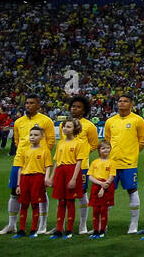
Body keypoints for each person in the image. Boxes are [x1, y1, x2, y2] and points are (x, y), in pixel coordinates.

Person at [0, 96, 57, 236]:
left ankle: (42, 224)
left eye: (32, 103)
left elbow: (51, 142)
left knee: (40, 194)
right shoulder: (18, 122)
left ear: (38, 105)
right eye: (27, 103)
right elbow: (17, 141)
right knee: (15, 192)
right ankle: (12, 225)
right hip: (20, 161)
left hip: (38, 162)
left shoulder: (46, 120)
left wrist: (40, 156)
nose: (28, 105)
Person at [103, 95, 144, 234]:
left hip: (129, 163)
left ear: (131, 104)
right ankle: (103, 225)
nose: (122, 103)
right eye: (120, 101)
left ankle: (133, 225)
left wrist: (131, 153)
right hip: (112, 163)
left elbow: (143, 141)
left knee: (132, 190)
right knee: (107, 192)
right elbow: (107, 140)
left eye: (125, 101)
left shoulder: (138, 120)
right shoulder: (110, 121)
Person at [66, 95, 100, 235]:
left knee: (82, 194)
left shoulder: (89, 126)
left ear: (84, 109)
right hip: (66, 165)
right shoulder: (66, 124)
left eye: (79, 107)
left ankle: (82, 224)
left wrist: (82, 153)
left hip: (82, 166)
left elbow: (94, 144)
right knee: (65, 195)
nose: (75, 109)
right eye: (73, 106)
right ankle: (64, 223)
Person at [49, 119, 88, 238]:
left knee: (70, 201)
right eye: (64, 126)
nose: (65, 129)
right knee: (61, 200)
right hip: (60, 172)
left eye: (68, 127)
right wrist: (51, 177)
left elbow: (79, 162)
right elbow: (57, 161)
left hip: (71, 171)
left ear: (75, 129)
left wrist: (73, 179)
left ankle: (69, 229)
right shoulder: (60, 143)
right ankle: (59, 228)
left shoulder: (79, 143)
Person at [12, 125, 52, 237]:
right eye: (31, 135)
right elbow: (20, 168)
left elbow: (48, 166)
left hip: (38, 178)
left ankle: (34, 229)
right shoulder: (24, 150)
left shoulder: (45, 151)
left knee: (35, 204)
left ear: (42, 137)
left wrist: (46, 178)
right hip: (25, 178)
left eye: (35, 135)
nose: (32, 137)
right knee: (24, 204)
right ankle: (22, 229)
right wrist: (19, 184)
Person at [87, 141, 117, 238]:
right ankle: (95, 230)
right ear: (99, 150)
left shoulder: (112, 162)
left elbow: (111, 176)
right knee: (95, 210)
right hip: (96, 186)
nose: (106, 150)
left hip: (107, 187)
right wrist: (100, 184)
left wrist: (103, 187)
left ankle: (102, 230)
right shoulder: (94, 162)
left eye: (108, 148)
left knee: (104, 209)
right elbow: (90, 176)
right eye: (103, 148)